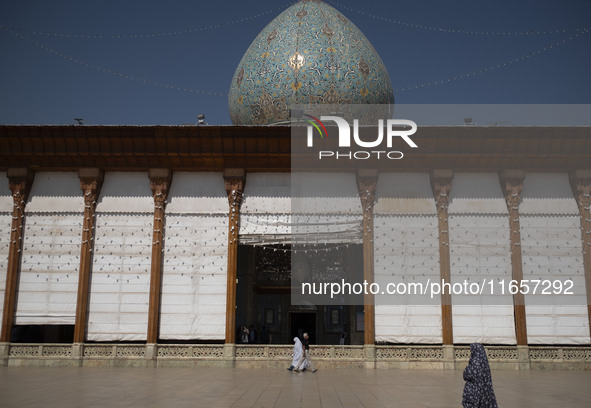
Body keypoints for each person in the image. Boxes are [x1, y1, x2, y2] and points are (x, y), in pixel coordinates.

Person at [462, 343, 498, 408]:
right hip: (485, 391)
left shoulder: (475, 361)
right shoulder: (484, 361)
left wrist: (466, 371)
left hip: (475, 391)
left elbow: (469, 374)